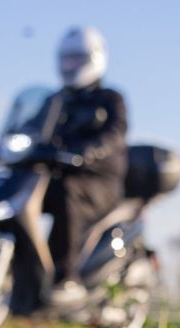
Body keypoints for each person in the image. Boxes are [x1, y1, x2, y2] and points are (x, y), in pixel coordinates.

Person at [38, 26, 126, 307]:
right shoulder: (55, 101)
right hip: (61, 174)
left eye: (76, 59)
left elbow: (115, 133)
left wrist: (88, 152)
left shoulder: (110, 99)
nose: (70, 66)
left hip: (100, 181)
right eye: (67, 59)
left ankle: (66, 277)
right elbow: (34, 129)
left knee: (68, 193)